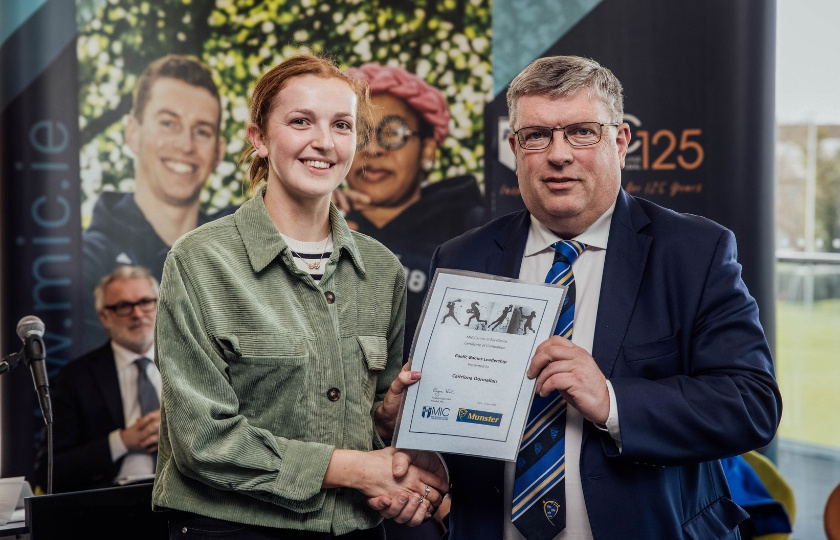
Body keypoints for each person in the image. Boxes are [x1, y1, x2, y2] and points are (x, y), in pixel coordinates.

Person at [409, 55, 783, 539]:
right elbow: (444, 414)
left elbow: (751, 405)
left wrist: (610, 399)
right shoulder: (462, 256)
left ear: (620, 140)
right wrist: (412, 430)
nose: (558, 154)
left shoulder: (695, 253)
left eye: (582, 132)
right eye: (537, 135)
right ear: (514, 148)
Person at [150, 54, 447, 539]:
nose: (324, 142)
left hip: (355, 529)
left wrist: (390, 425)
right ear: (259, 139)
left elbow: (367, 434)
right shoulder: (199, 261)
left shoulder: (382, 271)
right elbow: (202, 440)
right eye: (301, 121)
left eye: (342, 125)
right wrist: (356, 468)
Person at [81, 54, 234, 352]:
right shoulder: (88, 263)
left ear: (218, 152)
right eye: (168, 123)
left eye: (201, 131)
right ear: (132, 134)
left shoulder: (235, 253)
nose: (185, 145)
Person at [337, 63, 485, 357]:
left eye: (393, 133)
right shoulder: (316, 227)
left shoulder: (476, 231)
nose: (373, 150)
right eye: (359, 133)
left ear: (427, 151)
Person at [36, 266, 161, 493]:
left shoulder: (193, 364)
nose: (137, 314)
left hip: (188, 500)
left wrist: (178, 433)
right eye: (123, 306)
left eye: (146, 302)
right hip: (114, 505)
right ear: (105, 317)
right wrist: (121, 441)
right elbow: (50, 472)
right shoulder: (76, 378)